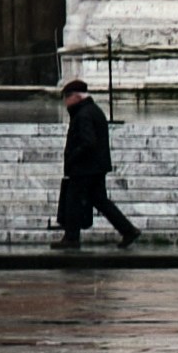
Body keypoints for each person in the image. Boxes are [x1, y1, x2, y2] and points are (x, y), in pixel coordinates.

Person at [50, 77, 139, 251]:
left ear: (75, 96)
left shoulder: (83, 114)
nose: (66, 103)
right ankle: (128, 230)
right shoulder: (93, 110)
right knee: (100, 200)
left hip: (85, 168)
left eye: (67, 98)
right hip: (96, 166)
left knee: (73, 200)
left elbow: (88, 142)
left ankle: (71, 238)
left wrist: (73, 158)